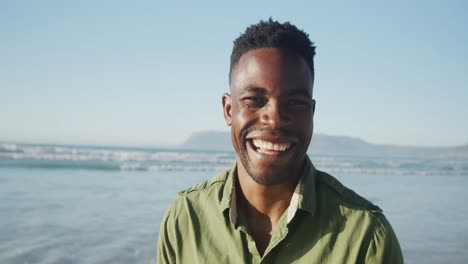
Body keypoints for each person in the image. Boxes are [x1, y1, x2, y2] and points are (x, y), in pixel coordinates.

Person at [157, 18, 404, 264]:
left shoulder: (366, 238)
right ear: (228, 110)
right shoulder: (185, 220)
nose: (274, 120)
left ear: (311, 112)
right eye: (254, 99)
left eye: (295, 103)